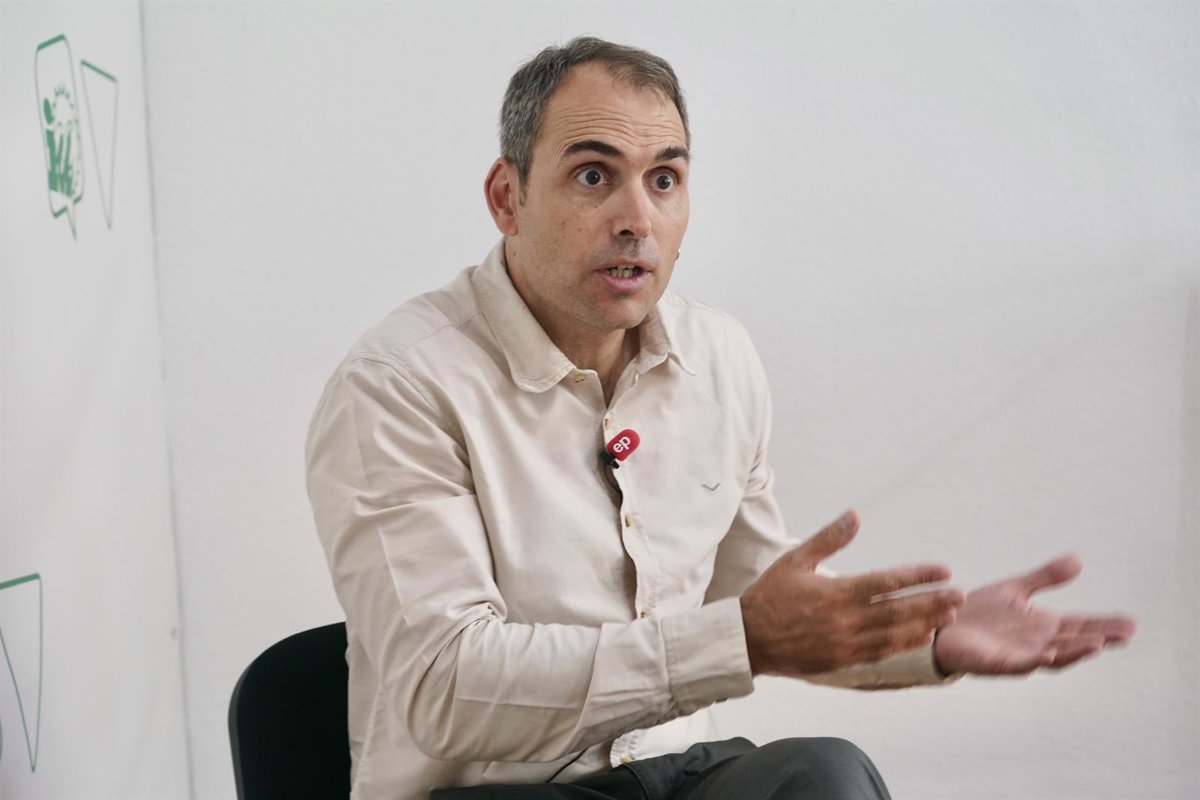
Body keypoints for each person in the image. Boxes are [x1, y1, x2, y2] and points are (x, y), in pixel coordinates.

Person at [305, 37, 1136, 800]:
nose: (637, 219)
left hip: (675, 772)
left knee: (825, 775)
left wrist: (931, 637)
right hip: (493, 791)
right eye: (593, 176)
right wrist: (741, 641)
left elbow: (763, 601)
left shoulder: (718, 356)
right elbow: (445, 687)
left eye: (664, 180)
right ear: (507, 198)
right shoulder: (398, 383)